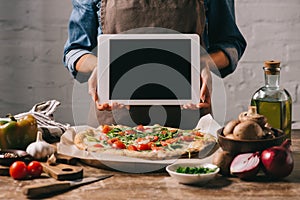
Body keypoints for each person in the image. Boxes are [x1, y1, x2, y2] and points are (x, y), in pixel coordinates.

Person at [63, 0, 246, 128]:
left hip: (189, 126)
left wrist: (202, 63)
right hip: (111, 125)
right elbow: (75, 50)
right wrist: (100, 67)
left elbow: (231, 45)